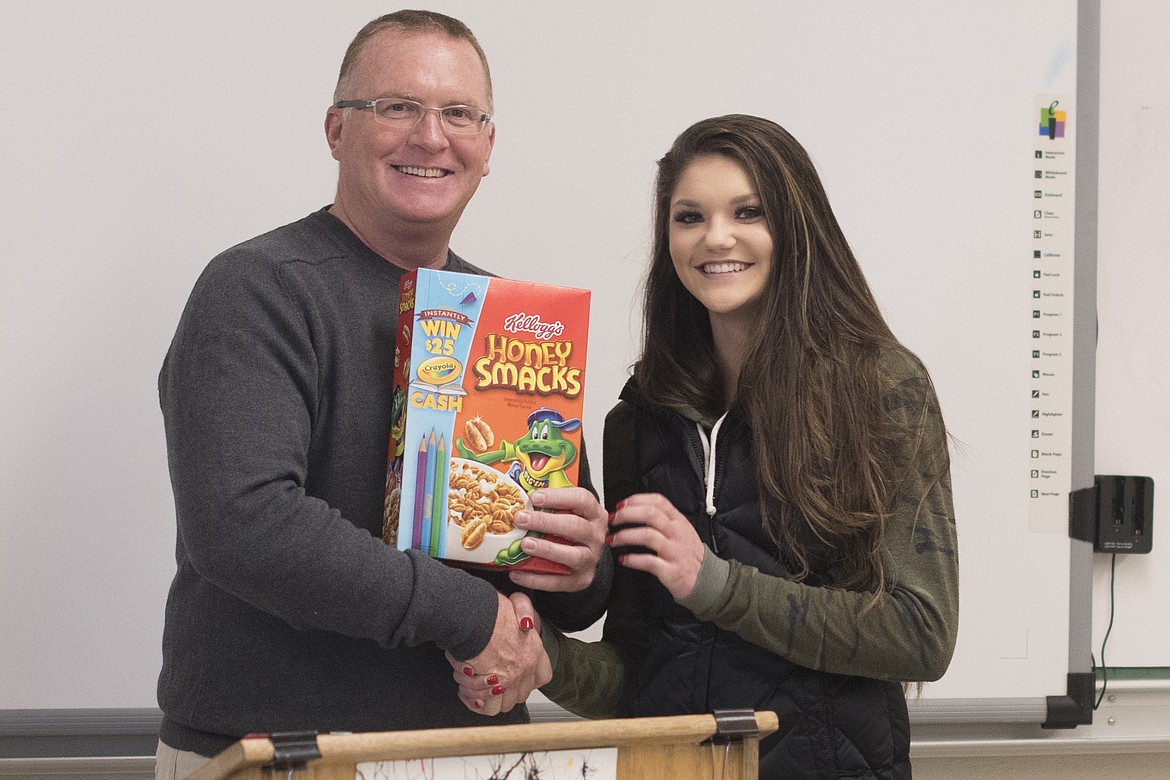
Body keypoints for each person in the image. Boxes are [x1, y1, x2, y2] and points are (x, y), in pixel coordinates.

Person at [155, 10, 610, 779]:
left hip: (478, 752)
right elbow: (247, 524)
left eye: (459, 113)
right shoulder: (257, 289)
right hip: (277, 756)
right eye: (396, 106)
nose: (431, 137)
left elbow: (564, 596)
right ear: (336, 129)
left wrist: (578, 565)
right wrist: (470, 618)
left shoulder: (508, 319)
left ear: (488, 146)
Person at [458, 114, 959, 778]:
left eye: (747, 212)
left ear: (794, 227)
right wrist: (545, 657)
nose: (715, 237)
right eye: (689, 217)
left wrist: (716, 584)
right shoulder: (638, 420)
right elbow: (639, 677)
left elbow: (921, 635)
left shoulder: (881, 387)